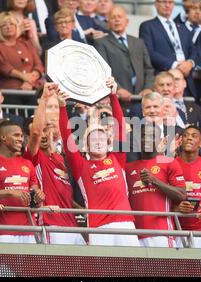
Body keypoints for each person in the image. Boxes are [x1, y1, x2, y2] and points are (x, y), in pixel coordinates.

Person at [59, 77, 140, 246]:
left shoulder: (117, 158)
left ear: (108, 142)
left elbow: (119, 126)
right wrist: (61, 107)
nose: (98, 141)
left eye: (102, 137)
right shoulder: (81, 166)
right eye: (93, 138)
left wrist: (113, 96)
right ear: (85, 146)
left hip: (125, 223)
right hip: (99, 226)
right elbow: (67, 136)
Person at [24, 83, 86, 245]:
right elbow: (36, 133)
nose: (43, 134)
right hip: (50, 224)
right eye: (40, 131)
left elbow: (61, 191)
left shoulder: (59, 158)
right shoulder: (33, 156)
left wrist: (79, 209)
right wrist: (44, 99)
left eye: (47, 130)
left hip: (72, 225)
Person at [0, 118, 48, 243]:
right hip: (4, 230)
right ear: (3, 137)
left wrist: (39, 196)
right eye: (16, 135)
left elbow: (34, 197)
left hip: (30, 229)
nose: (21, 139)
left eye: (22, 136)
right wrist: (10, 192)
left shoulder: (28, 164)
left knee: (32, 263)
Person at [125, 124, 186, 248]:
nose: (147, 140)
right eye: (143, 136)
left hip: (162, 232)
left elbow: (182, 194)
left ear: (159, 140)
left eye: (152, 136)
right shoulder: (128, 167)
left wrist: (154, 181)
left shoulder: (169, 162)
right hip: (134, 235)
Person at [139, 0, 200, 104]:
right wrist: (176, 65)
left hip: (186, 81)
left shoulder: (183, 27)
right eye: (163, 2)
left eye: (170, 2)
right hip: (164, 80)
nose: (167, 5)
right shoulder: (148, 26)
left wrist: (190, 63)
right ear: (156, 4)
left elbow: (194, 50)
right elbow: (149, 52)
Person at [93, 5, 154, 104]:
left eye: (119, 17)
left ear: (127, 21)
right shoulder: (101, 43)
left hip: (141, 99)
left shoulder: (138, 42)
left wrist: (148, 88)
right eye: (113, 17)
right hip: (118, 99)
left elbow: (148, 68)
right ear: (108, 23)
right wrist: (118, 89)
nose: (117, 20)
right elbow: (103, 70)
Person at [0, 11, 44, 90]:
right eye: (4, 25)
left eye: (11, 24)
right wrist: (24, 77)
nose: (8, 27)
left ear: (16, 26)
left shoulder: (26, 43)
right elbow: (3, 67)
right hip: (11, 90)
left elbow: (38, 64)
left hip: (33, 88)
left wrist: (30, 79)